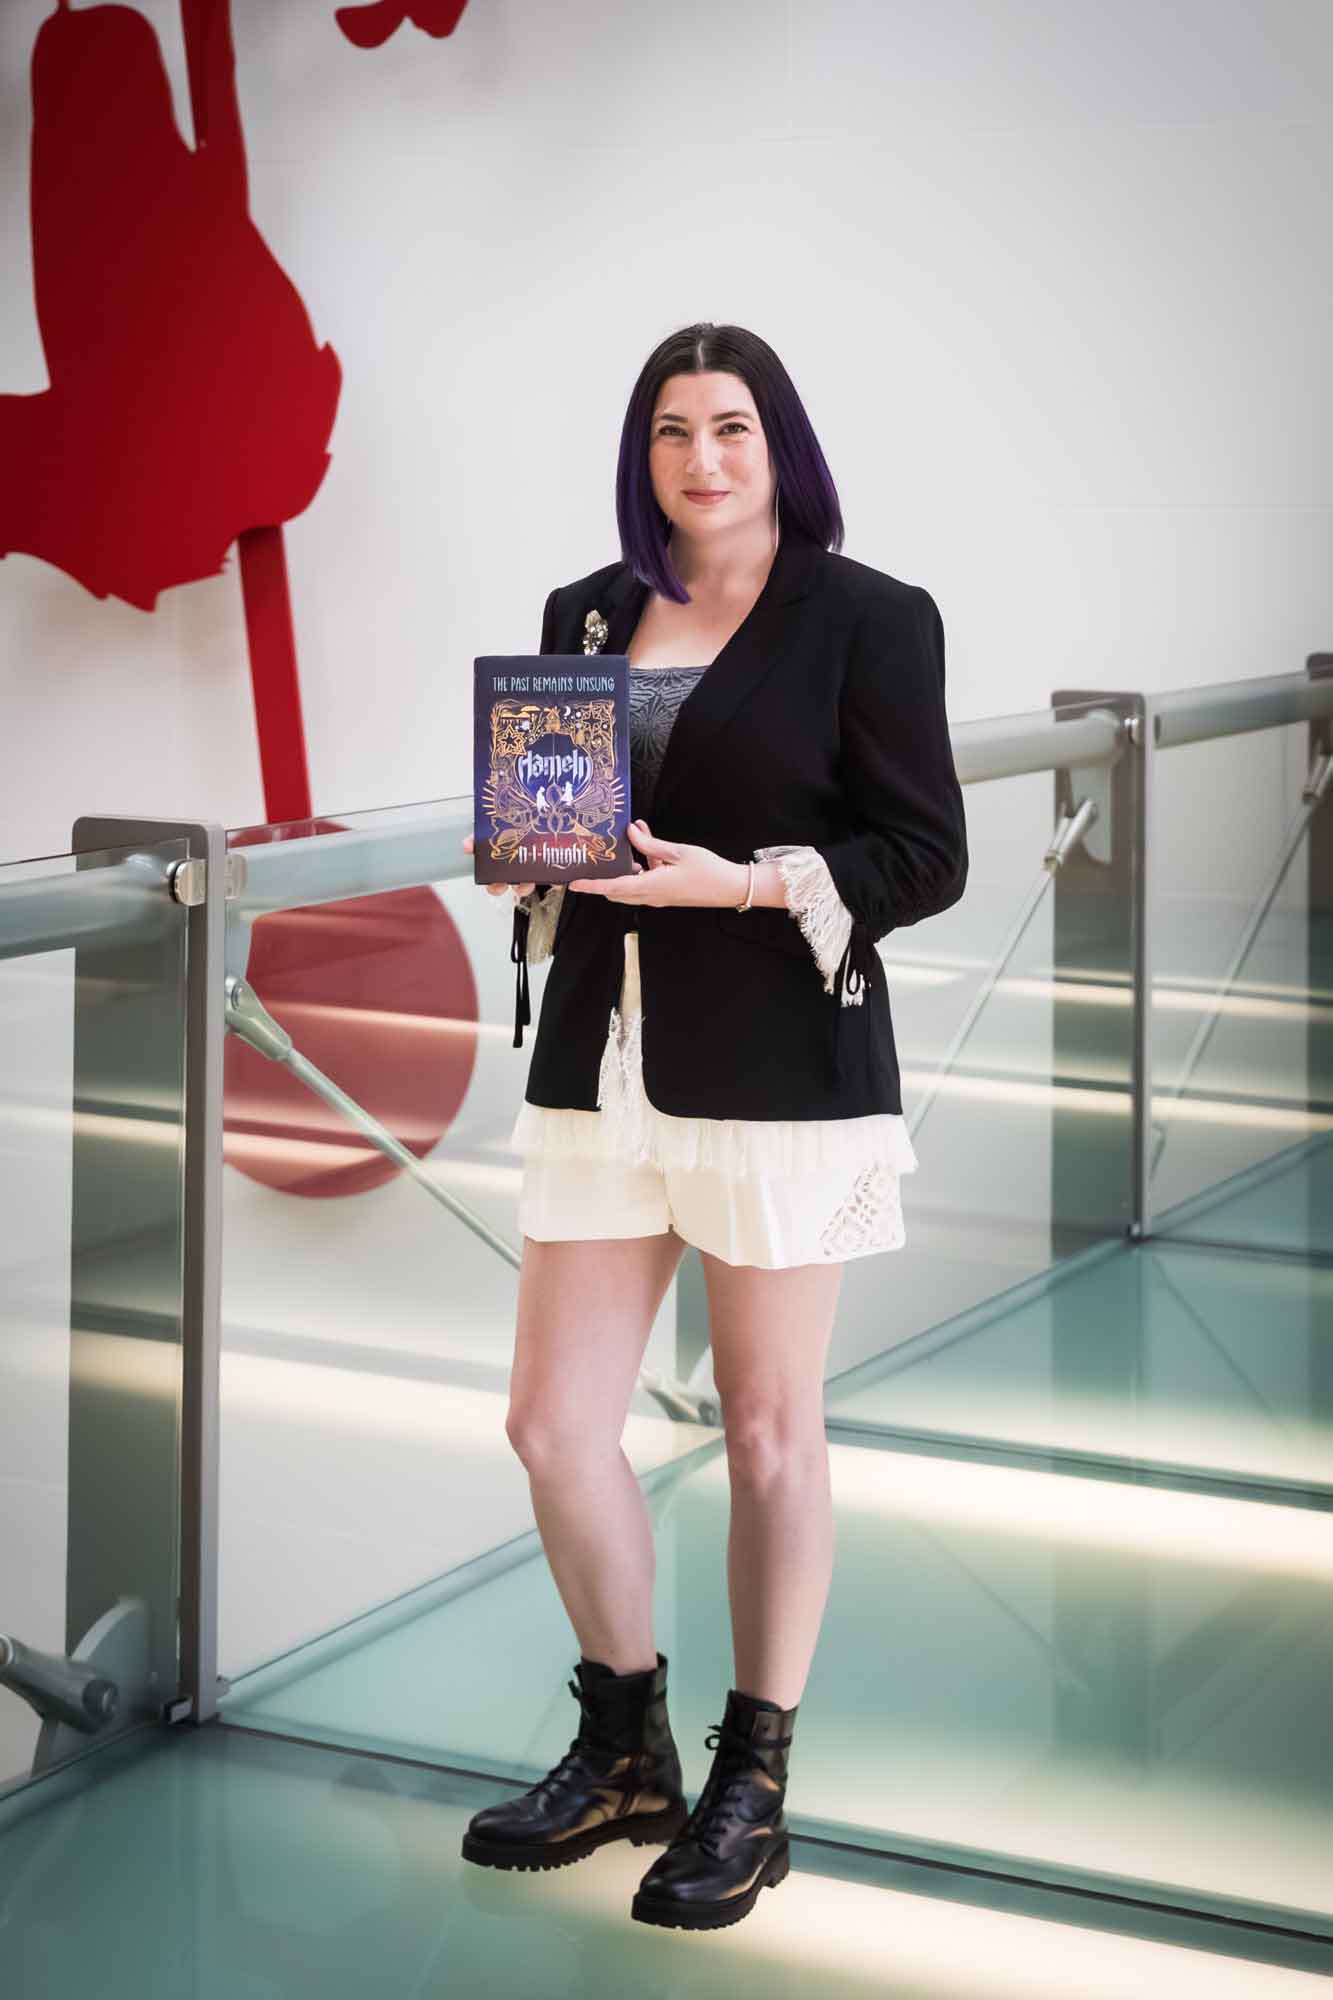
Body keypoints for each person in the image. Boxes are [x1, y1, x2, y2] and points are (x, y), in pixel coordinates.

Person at [459, 322, 968, 1931]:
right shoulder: (586, 613)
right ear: (644, 453)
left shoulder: (869, 619)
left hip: (777, 1074)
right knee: (552, 1422)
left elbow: (924, 853)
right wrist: (523, 856)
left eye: (730, 426)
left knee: (763, 1430)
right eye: (672, 429)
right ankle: (624, 1743)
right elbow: (559, 834)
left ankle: (753, 1780)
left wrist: (746, 881)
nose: (700, 458)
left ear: (779, 445)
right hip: (602, 1062)